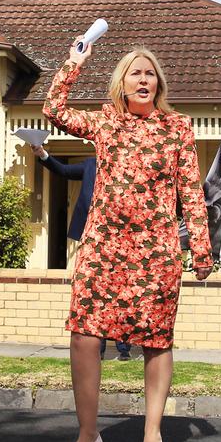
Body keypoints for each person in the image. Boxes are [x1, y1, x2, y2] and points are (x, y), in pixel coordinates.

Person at [42, 39, 213, 442]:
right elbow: (54, 110)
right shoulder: (105, 122)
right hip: (103, 247)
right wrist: (74, 62)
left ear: (158, 84)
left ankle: (152, 432)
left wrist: (202, 248)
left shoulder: (178, 128)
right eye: (135, 72)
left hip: (156, 250)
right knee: (84, 333)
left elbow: (190, 191)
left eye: (149, 73)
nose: (143, 78)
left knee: (156, 338)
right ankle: (88, 433)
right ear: (122, 83)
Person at [31, 145, 132, 362]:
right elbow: (64, 171)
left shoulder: (128, 166)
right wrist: (42, 154)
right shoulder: (90, 165)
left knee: (120, 294)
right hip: (92, 237)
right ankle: (100, 349)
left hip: (120, 239)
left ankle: (124, 349)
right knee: (96, 295)